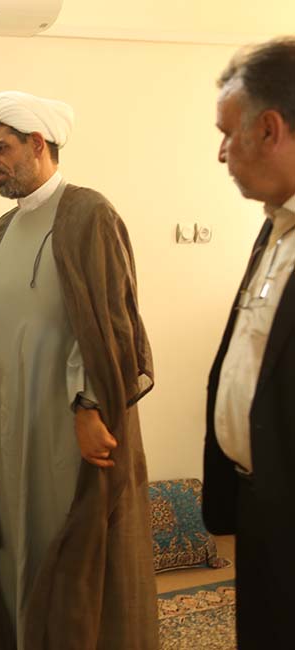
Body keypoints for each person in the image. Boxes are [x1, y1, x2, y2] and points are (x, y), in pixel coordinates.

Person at [0, 92, 157, 649]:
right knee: (14, 547)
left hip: (66, 433)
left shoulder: (88, 214)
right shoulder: (2, 231)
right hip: (12, 432)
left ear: (37, 144)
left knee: (65, 548)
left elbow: (112, 322)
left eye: (1, 149)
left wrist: (91, 408)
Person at [205, 37, 295, 649]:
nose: (221, 153)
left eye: (227, 133)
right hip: (261, 506)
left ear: (269, 129)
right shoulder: (274, 228)